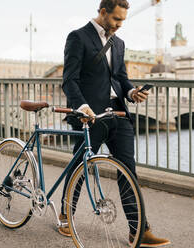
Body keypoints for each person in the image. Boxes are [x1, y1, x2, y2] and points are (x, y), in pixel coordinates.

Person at [59, 0, 170, 247]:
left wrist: (132, 93)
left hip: (118, 114)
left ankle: (138, 229)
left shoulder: (118, 43)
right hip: (89, 114)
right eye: (116, 19)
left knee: (128, 171)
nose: (120, 25)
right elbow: (70, 80)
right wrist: (82, 106)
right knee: (80, 166)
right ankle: (66, 217)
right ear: (102, 12)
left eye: (123, 20)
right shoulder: (78, 37)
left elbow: (120, 78)